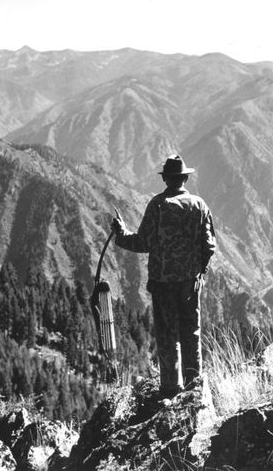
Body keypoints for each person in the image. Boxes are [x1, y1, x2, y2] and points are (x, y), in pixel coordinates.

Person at [111, 154, 216, 397]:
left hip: (163, 282)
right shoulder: (200, 205)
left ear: (166, 179)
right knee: (191, 331)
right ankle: (194, 386)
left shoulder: (157, 205)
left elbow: (143, 242)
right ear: (185, 178)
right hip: (190, 282)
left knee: (168, 335)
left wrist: (121, 233)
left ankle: (170, 388)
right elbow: (209, 246)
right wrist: (200, 272)